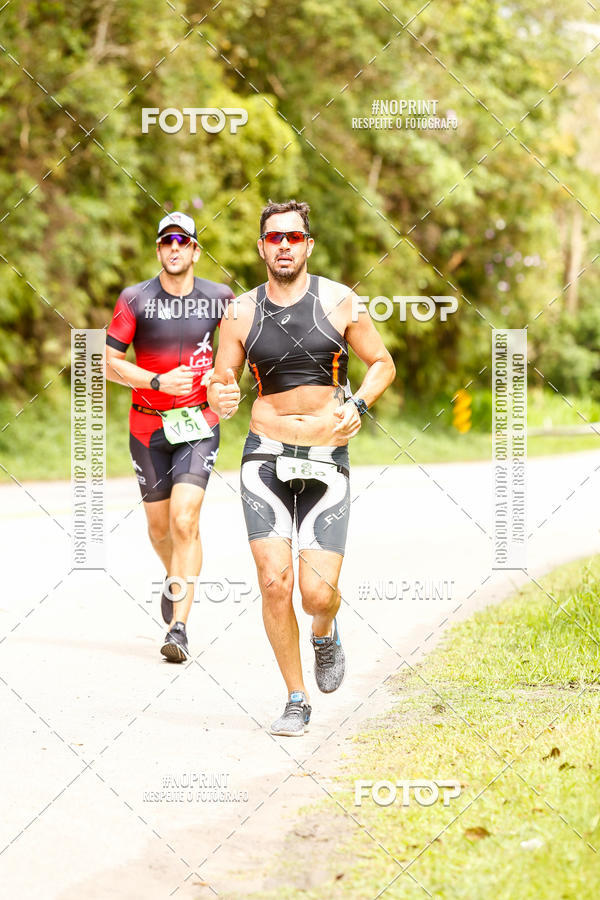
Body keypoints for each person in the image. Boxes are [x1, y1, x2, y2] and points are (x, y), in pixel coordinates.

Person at [207, 199, 395, 735]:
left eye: (293, 237)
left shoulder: (340, 302)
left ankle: (324, 631)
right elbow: (224, 379)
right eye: (274, 238)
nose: (283, 245)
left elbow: (383, 364)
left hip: (325, 455)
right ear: (261, 246)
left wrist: (356, 405)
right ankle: (295, 696)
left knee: (316, 594)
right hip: (264, 453)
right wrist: (219, 396)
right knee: (273, 582)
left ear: (308, 244)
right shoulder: (241, 311)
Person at [106, 211, 234, 662]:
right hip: (147, 425)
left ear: (196, 250)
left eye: (183, 241)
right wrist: (156, 382)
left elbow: (236, 357)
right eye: (167, 242)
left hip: (199, 424)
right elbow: (107, 363)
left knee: (185, 520)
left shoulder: (220, 298)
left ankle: (178, 626)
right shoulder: (135, 298)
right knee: (160, 528)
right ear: (159, 250)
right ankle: (176, 576)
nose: (174, 249)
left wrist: (227, 388)